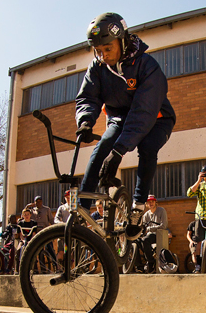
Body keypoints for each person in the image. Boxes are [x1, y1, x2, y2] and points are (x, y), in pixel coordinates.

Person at [75, 12, 177, 231]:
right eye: (98, 51)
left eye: (108, 49)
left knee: (147, 146)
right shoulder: (98, 67)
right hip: (120, 117)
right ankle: (80, 210)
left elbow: (143, 112)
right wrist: (85, 122)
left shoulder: (147, 66)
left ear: (121, 41)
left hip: (156, 117)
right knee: (103, 146)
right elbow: (89, 97)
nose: (103, 56)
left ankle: (138, 207)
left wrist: (119, 151)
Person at [141, 194, 169, 267]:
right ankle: (139, 266)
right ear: (146, 204)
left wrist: (150, 229)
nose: (151, 203)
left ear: (155, 202)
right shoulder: (146, 215)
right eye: (149, 202)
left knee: (145, 240)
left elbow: (163, 225)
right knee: (137, 241)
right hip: (149, 235)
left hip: (159, 235)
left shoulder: (161, 211)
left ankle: (150, 261)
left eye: (152, 201)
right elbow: (143, 227)